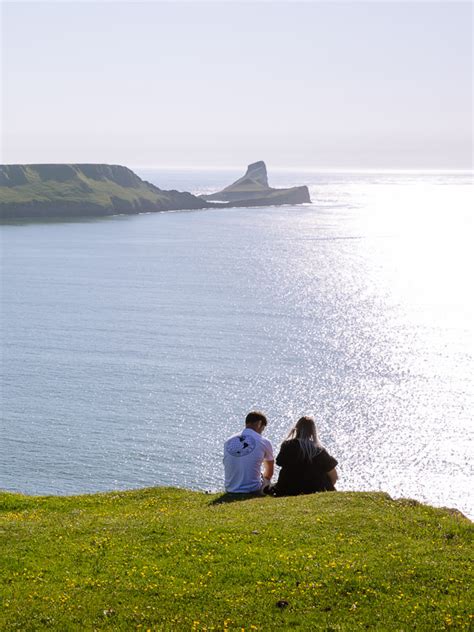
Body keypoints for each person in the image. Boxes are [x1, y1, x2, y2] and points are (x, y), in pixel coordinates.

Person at [272, 416, 338, 496]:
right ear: (312, 431)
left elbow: (279, 462)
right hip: (315, 489)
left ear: (297, 429)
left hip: (288, 489)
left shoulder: (287, 445)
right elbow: (334, 476)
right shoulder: (319, 450)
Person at [223, 411, 274, 493]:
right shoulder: (264, 442)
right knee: (266, 479)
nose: (261, 432)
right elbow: (269, 472)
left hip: (230, 489)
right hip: (252, 489)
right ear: (259, 423)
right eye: (263, 429)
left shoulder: (228, 441)